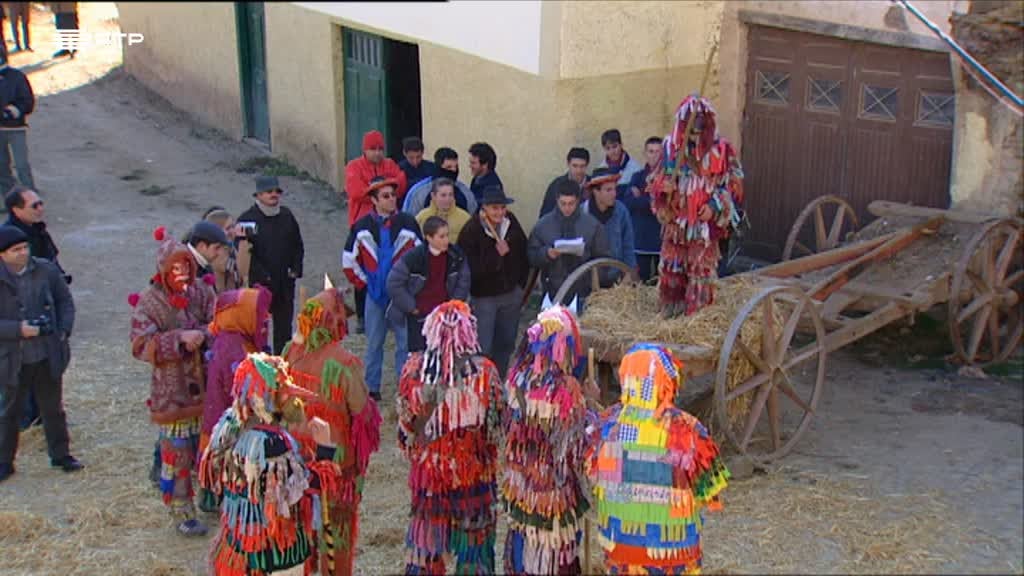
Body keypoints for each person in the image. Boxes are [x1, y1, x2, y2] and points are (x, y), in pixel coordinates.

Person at [586, 343, 729, 574]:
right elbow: (710, 491)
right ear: (668, 381)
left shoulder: (606, 426)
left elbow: (591, 475)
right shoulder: (689, 431)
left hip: (621, 554)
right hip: (674, 556)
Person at [397, 300, 504, 574]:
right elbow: (495, 431)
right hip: (473, 476)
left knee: (426, 549)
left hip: (430, 477)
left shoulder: (413, 370)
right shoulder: (485, 373)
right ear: (468, 332)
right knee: (474, 550)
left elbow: (406, 432)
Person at [283, 283, 382, 576]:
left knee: (300, 526)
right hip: (335, 464)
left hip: (296, 460)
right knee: (336, 529)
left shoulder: (290, 351)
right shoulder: (343, 362)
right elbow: (362, 412)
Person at [128, 226, 216, 535]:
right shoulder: (149, 302)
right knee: (177, 455)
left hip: (207, 388)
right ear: (163, 270)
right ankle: (182, 512)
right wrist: (178, 338)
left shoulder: (203, 292)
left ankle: (211, 497)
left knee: (210, 448)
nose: (181, 273)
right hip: (173, 392)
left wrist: (203, 335)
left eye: (186, 267)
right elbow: (140, 345)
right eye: (174, 268)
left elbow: (217, 324)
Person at [501, 306, 598, 575]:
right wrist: (591, 407)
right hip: (554, 496)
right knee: (554, 559)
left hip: (522, 491)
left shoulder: (516, 381)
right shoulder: (566, 391)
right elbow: (578, 448)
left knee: (524, 549)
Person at [200, 353, 316, 574]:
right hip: (272, 552)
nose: (289, 394)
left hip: (236, 541)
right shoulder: (274, 444)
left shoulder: (229, 424)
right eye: (282, 389)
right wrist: (326, 455)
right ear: (265, 396)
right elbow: (299, 496)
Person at [0, 225, 81, 484]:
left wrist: (63, 331)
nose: (23, 253)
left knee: (53, 409)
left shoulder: (45, 270)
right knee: (10, 413)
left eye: (25, 247)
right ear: (2, 254)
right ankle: (4, 462)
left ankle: (61, 454)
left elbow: (65, 302)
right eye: (16, 250)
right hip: (13, 358)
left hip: (47, 354)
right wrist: (18, 329)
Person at [651, 96, 744, 318]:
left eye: (699, 125)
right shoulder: (670, 149)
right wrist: (663, 190)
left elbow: (733, 185)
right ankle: (670, 312)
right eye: (690, 125)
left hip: (702, 227)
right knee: (672, 269)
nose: (694, 131)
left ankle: (697, 318)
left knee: (700, 272)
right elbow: (655, 182)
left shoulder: (722, 151)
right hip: (676, 224)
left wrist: (714, 205)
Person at [343, 176, 421, 401]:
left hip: (402, 295)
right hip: (375, 296)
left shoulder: (408, 223)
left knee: (405, 343)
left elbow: (420, 258)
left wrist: (411, 289)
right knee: (374, 342)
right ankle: (372, 389)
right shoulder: (360, 227)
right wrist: (366, 284)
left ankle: (404, 387)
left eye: (393, 195)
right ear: (374, 200)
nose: (391, 200)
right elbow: (349, 261)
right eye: (385, 196)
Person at [4, 185, 65, 430]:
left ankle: (38, 418)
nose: (41, 208)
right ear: (16, 210)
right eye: (34, 205)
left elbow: (50, 263)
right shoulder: (9, 238)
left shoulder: (36, 230)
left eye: (41, 203)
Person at [456, 185, 528, 376]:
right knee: (483, 346)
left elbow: (523, 253)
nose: (500, 212)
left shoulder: (511, 223)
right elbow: (469, 269)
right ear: (484, 208)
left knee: (506, 343)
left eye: (502, 208)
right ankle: (481, 386)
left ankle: (499, 380)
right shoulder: (471, 231)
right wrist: (495, 256)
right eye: (495, 208)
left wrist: (520, 286)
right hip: (484, 298)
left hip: (511, 295)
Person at [345, 130, 408, 333]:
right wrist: (381, 188)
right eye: (373, 149)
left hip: (389, 223)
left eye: (380, 149)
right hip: (362, 224)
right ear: (365, 150)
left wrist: (375, 190)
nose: (378, 153)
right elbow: (355, 191)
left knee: (389, 267)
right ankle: (363, 316)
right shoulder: (354, 167)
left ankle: (390, 312)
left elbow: (401, 182)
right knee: (362, 269)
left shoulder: (389, 164)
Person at [238, 175, 304, 353]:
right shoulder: (247, 220)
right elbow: (244, 253)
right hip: (260, 286)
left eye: (277, 191)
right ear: (258, 195)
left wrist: (295, 269)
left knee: (284, 330)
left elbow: (297, 244)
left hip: (284, 283)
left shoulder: (287, 216)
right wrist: (262, 275)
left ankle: (283, 365)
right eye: (269, 191)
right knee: (259, 329)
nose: (274, 194)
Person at [387, 216, 470, 353]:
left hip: (444, 316)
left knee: (444, 355)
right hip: (419, 315)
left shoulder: (456, 255)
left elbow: (464, 280)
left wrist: (454, 304)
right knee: (417, 356)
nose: (446, 240)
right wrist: (411, 307)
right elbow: (393, 283)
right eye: (441, 236)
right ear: (429, 238)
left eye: (447, 235)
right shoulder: (414, 257)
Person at [528, 178, 609, 304]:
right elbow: (531, 256)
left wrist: (591, 280)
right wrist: (546, 254)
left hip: (584, 292)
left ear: (578, 201)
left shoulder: (592, 225)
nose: (567, 208)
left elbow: (603, 259)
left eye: (571, 203)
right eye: (563, 203)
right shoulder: (542, 226)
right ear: (557, 200)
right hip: (552, 290)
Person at [582, 167, 636, 286]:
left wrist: (629, 273)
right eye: (608, 190)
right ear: (596, 192)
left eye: (614, 189)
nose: (614, 194)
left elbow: (628, 244)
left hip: (616, 279)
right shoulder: (582, 213)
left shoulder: (621, 211)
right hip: (587, 281)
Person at [623, 136, 665, 282]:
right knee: (641, 284)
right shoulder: (637, 177)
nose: (654, 155)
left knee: (664, 283)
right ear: (645, 153)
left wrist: (641, 197)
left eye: (658, 152)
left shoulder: (669, 179)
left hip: (662, 239)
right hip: (641, 240)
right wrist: (652, 201)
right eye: (651, 151)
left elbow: (665, 204)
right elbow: (628, 203)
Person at [401, 146, 476, 216]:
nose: (453, 170)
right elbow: (408, 220)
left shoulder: (465, 192)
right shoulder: (419, 193)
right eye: (449, 167)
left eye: (455, 167)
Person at [0, 49, 35, 192]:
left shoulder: (17, 77)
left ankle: (29, 195)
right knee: (1, 165)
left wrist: (17, 110)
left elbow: (28, 101)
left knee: (21, 164)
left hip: (16, 128)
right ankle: (8, 197)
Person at [201, 205, 246, 293]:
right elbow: (241, 271)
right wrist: (244, 243)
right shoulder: (217, 251)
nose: (233, 231)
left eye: (233, 226)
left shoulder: (230, 248)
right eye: (228, 228)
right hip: (219, 298)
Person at [539, 146, 590, 218]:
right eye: (575, 166)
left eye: (582, 166)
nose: (578, 170)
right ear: (568, 164)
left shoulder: (593, 185)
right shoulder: (556, 185)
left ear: (587, 165)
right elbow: (544, 216)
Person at [185, 220, 230, 288]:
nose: (220, 253)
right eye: (217, 247)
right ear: (202, 246)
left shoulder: (204, 266)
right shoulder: (183, 266)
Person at [598, 129, 643, 194]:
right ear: (604, 149)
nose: (612, 151)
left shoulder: (635, 168)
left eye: (614, 146)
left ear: (621, 145)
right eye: (608, 148)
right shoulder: (600, 171)